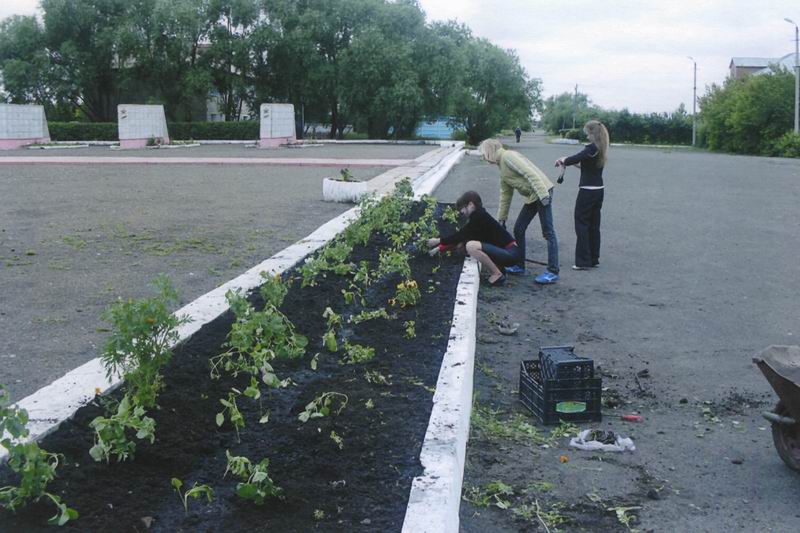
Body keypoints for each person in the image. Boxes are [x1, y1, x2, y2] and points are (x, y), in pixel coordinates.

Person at [478, 138, 560, 285]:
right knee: (519, 228)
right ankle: (519, 265)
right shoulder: (501, 167)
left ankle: (553, 271)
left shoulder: (508, 156)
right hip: (532, 197)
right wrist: (501, 218)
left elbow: (530, 173)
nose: (483, 158)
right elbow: (505, 195)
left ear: (489, 151)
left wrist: (543, 196)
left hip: (542, 192)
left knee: (548, 232)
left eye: (483, 154)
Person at [427, 191, 521, 287]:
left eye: (462, 209)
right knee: (467, 244)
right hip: (509, 252)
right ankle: (500, 270)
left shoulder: (479, 217)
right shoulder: (480, 216)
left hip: (510, 253)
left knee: (471, 246)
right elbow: (460, 238)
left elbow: (460, 235)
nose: (462, 213)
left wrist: (438, 241)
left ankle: (497, 274)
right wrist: (438, 248)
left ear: (470, 204)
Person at [555, 120, 609, 270]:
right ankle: (593, 258)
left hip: (587, 191)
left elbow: (574, 159)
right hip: (599, 190)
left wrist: (563, 159)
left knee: (582, 224)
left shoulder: (591, 148)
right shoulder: (601, 148)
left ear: (593, 133)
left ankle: (583, 261)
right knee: (593, 225)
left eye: (587, 134)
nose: (586, 137)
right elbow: (584, 164)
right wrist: (568, 162)